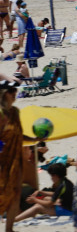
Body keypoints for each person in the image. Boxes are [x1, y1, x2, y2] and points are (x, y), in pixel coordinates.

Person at [0, 80, 23, 232]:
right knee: (2, 194)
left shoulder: (15, 112)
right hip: (2, 162)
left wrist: (34, 140)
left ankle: (9, 229)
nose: (15, 94)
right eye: (11, 91)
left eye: (15, 91)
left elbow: (19, 134)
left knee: (15, 194)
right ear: (3, 94)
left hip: (16, 160)